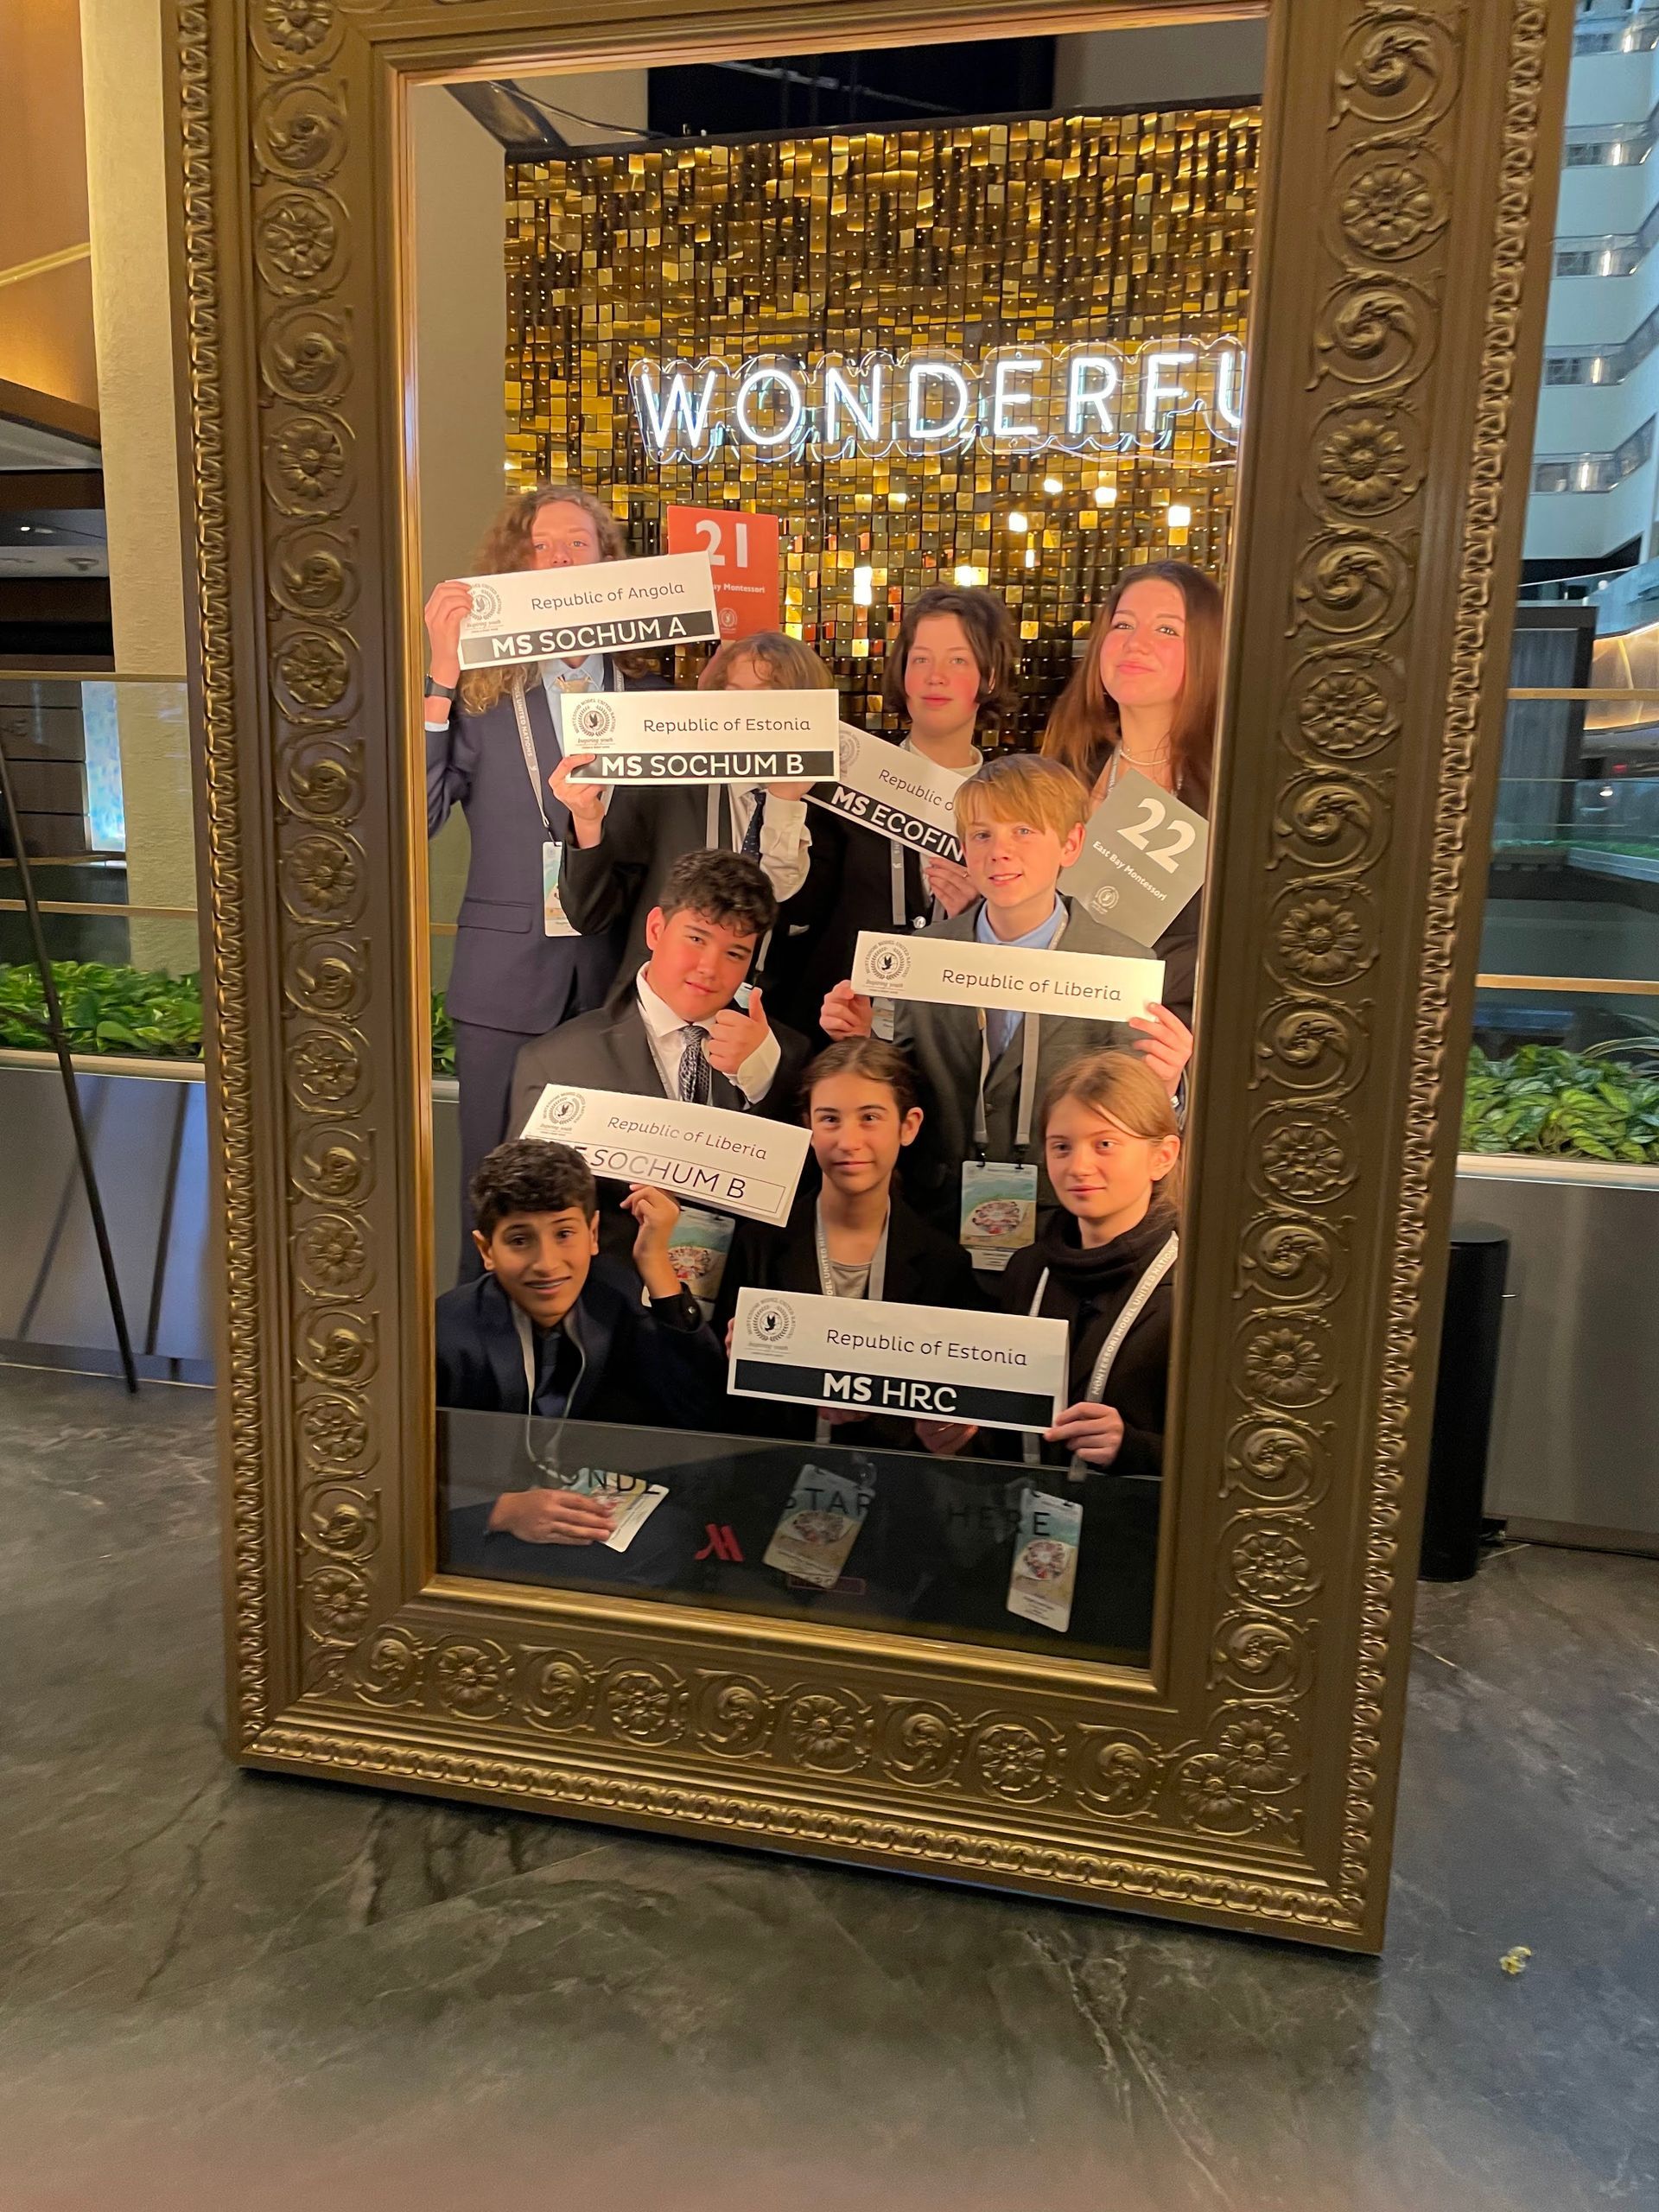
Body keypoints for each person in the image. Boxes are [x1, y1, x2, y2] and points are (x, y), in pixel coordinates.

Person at [423, 483, 671, 1276]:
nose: (560, 559)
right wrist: (439, 671)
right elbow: (418, 814)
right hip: (503, 981)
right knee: (492, 1189)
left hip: (616, 975)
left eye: (578, 544)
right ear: (515, 564)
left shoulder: (656, 699)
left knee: (605, 1197)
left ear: (608, 565)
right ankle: (486, 1367)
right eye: (542, 545)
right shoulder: (481, 697)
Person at [820, 752, 1192, 1252]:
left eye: (1024, 831)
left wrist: (1166, 1088)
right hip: (931, 1226)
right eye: (982, 834)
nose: (1000, 851)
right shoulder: (920, 959)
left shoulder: (1123, 964)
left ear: (1071, 844)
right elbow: (902, 1093)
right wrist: (864, 1048)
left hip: (1066, 1228)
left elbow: (1140, 1117)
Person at [507, 850, 812, 1279]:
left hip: (737, 1314)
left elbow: (810, 1198)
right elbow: (525, 1215)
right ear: (655, 929)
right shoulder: (556, 1061)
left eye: (735, 953)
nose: (710, 968)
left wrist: (766, 1082)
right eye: (696, 939)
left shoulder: (787, 1056)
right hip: (610, 1307)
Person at [436, 1139, 722, 1574]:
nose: (547, 1264)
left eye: (564, 1234)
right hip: (478, 1524)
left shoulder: (612, 1296)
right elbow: (388, 1472)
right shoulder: (445, 1333)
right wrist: (500, 1511)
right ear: (486, 1251)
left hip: (577, 1493)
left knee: (672, 1539)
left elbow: (696, 1407)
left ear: (592, 1234)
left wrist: (656, 1267)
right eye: (519, 1240)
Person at [771, 585, 1019, 1042]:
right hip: (840, 1036)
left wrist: (978, 916)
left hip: (954, 1043)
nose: (935, 677)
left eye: (957, 660)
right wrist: (784, 803)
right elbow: (796, 908)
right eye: (920, 659)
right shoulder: (849, 777)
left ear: (989, 677)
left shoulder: (1015, 802)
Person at [918, 1050, 1180, 1476]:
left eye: (1105, 1144)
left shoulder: (1193, 1290)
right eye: (1062, 1146)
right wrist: (959, 1443)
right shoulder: (1027, 1271)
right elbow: (1005, 1442)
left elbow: (1237, 1458)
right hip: (1030, 1528)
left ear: (1162, 1156)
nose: (1078, 1166)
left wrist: (1134, 1449)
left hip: (1140, 1534)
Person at [714, 1038, 986, 1445]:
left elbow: (950, 1405)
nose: (848, 1141)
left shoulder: (944, 1263)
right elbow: (728, 1402)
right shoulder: (760, 1244)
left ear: (908, 1126)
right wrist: (738, 1359)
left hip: (893, 1487)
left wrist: (947, 1430)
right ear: (808, 1126)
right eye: (829, 1119)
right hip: (774, 1474)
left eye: (870, 1118)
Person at [552, 630, 829, 988]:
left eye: (768, 698)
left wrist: (784, 804)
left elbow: (791, 912)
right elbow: (589, 915)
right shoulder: (667, 787)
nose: (746, 714)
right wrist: (587, 822)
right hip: (656, 1012)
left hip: (769, 1021)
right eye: (733, 696)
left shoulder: (827, 805)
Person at [1041, 560, 1224, 1032]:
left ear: (1206, 650)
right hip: (1044, 1046)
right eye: (1123, 624)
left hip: (1170, 1056)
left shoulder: (1233, 792)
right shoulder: (1061, 769)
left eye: (1167, 629)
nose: (1135, 644)